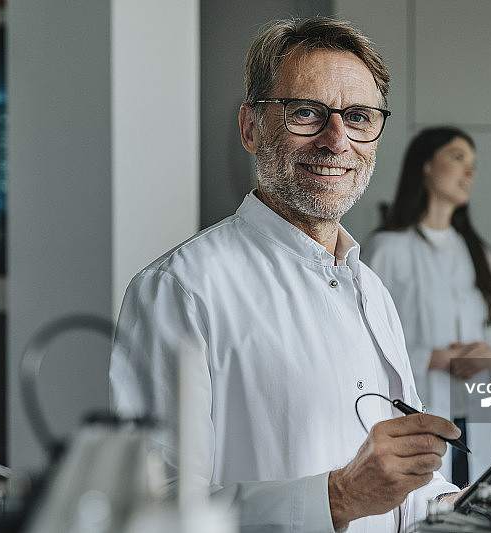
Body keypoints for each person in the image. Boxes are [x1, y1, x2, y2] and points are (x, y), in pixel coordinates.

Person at [110, 18, 461, 532]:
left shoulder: (372, 291)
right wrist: (336, 499)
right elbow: (151, 512)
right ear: (250, 128)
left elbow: (399, 486)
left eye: (359, 117)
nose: (336, 140)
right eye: (305, 113)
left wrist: (460, 506)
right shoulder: (181, 288)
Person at [363, 126, 491, 487]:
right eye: (458, 157)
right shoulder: (387, 250)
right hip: (414, 416)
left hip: (474, 420)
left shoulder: (479, 253)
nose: (469, 172)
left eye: (473, 165)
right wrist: (436, 359)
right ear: (426, 166)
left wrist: (490, 357)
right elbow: (364, 339)